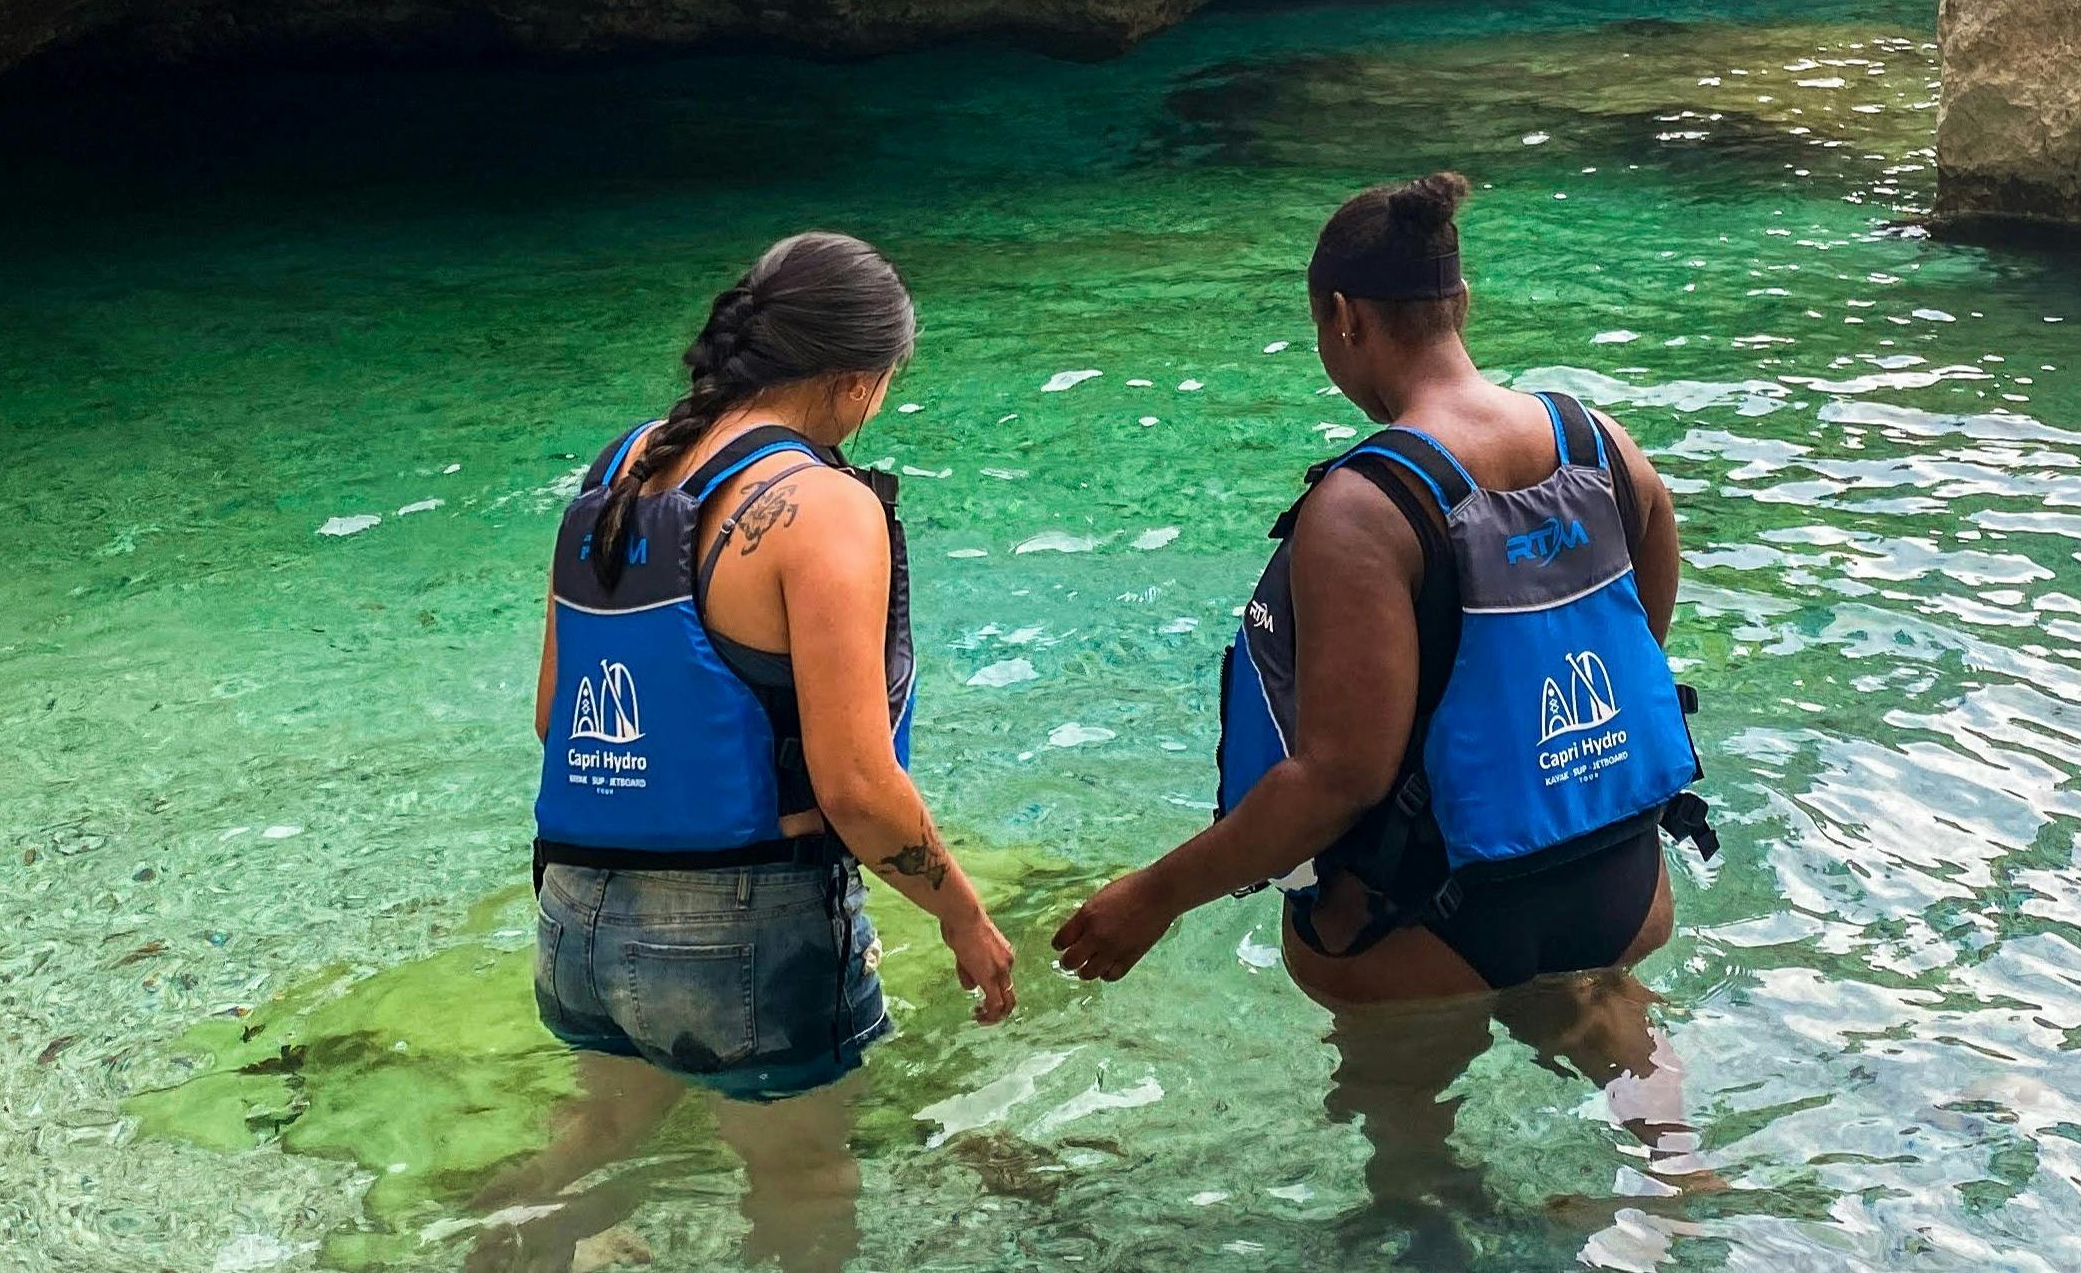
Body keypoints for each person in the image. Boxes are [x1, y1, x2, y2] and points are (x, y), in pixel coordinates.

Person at [1053, 173, 1718, 1224]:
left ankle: (1434, 1219)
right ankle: (1680, 1189)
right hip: (1617, 886)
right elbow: (1636, 644)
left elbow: (1338, 778)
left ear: (1342, 318)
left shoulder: (1364, 507)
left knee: (1403, 1121)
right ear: (1460, 304)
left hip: (1418, 925)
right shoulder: (1601, 444)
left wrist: (1154, 896)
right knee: (1603, 1014)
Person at [475, 233, 1015, 1273]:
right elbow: (857, 789)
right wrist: (964, 917)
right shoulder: (822, 508)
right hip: (743, 932)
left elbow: (557, 715)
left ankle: (495, 1244)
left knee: (590, 1143)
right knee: (805, 1181)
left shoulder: (618, 469)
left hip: (576, 921)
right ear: (859, 379)